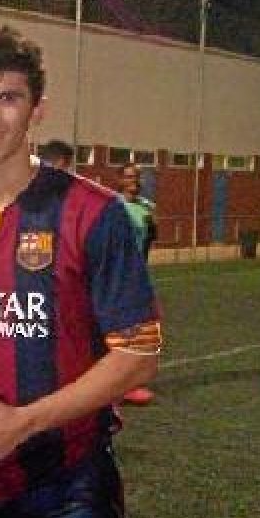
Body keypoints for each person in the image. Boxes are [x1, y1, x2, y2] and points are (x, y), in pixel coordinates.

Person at [0, 26, 162, 518]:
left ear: (37, 110)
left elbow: (139, 353)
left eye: (8, 97)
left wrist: (28, 420)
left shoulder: (93, 213)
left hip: (70, 481)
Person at [117, 163, 158, 407]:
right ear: (119, 180)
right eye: (128, 176)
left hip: (137, 277)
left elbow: (149, 240)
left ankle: (126, 384)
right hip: (115, 277)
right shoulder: (112, 204)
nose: (133, 180)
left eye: (136, 176)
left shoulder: (147, 207)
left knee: (137, 332)